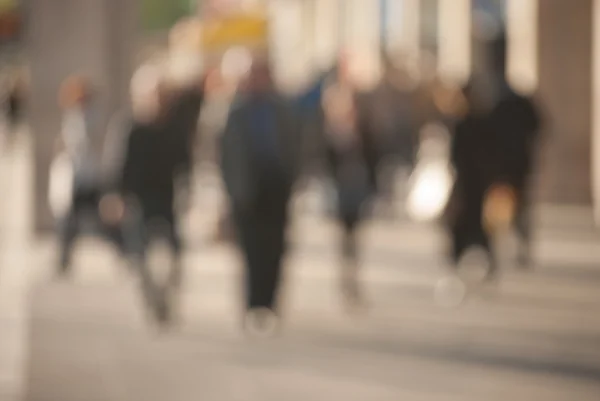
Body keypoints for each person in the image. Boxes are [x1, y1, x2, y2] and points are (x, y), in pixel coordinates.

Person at [220, 58, 301, 333]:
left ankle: (270, 304)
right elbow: (225, 155)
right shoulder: (234, 111)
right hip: (247, 190)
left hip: (276, 186)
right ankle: (253, 305)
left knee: (275, 249)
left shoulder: (281, 108)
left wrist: (293, 177)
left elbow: (294, 145)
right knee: (251, 250)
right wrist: (230, 192)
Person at [321, 59, 376, 309]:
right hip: (339, 192)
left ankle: (352, 281)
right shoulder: (329, 135)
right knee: (345, 239)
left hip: (358, 190)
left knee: (354, 239)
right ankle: (346, 281)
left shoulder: (364, 132)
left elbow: (374, 157)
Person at [55, 76, 103, 276]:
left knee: (99, 219)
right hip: (74, 177)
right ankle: (64, 260)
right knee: (67, 221)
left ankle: (129, 252)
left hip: (89, 175)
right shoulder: (72, 117)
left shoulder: (93, 117)